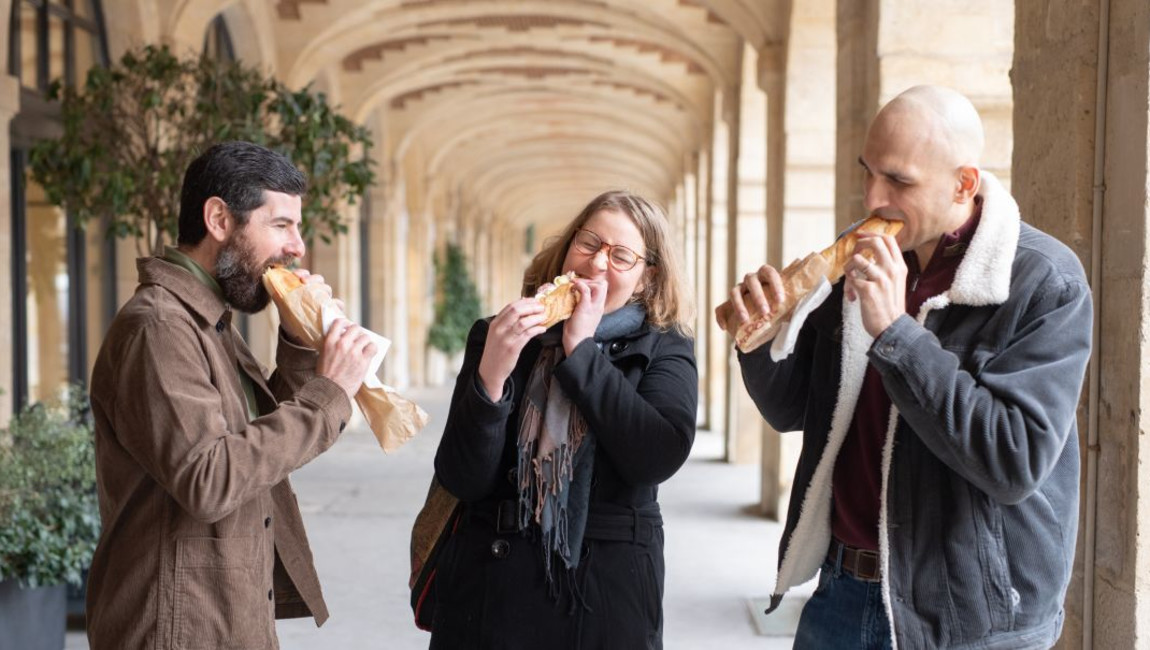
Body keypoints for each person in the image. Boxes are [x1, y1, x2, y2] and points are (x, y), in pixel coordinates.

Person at [724, 85, 1092, 649]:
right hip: (840, 595)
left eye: (898, 181)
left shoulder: (1044, 282)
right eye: (867, 171)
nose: (873, 196)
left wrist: (896, 333)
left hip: (971, 623)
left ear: (963, 184)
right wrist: (762, 341)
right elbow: (795, 409)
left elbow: (1013, 460)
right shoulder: (859, 253)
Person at [86, 141, 377, 649]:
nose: (298, 247)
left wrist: (299, 343)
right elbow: (210, 479)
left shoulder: (208, 319)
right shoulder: (160, 326)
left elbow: (256, 449)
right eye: (281, 225)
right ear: (219, 219)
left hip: (220, 616)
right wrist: (330, 392)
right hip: (176, 626)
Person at [430, 190, 697, 650]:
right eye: (589, 243)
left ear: (647, 278)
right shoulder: (500, 333)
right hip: (492, 592)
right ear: (568, 245)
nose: (596, 264)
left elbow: (656, 456)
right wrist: (492, 374)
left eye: (621, 256)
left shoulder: (665, 347)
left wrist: (582, 351)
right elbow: (462, 477)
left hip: (604, 600)